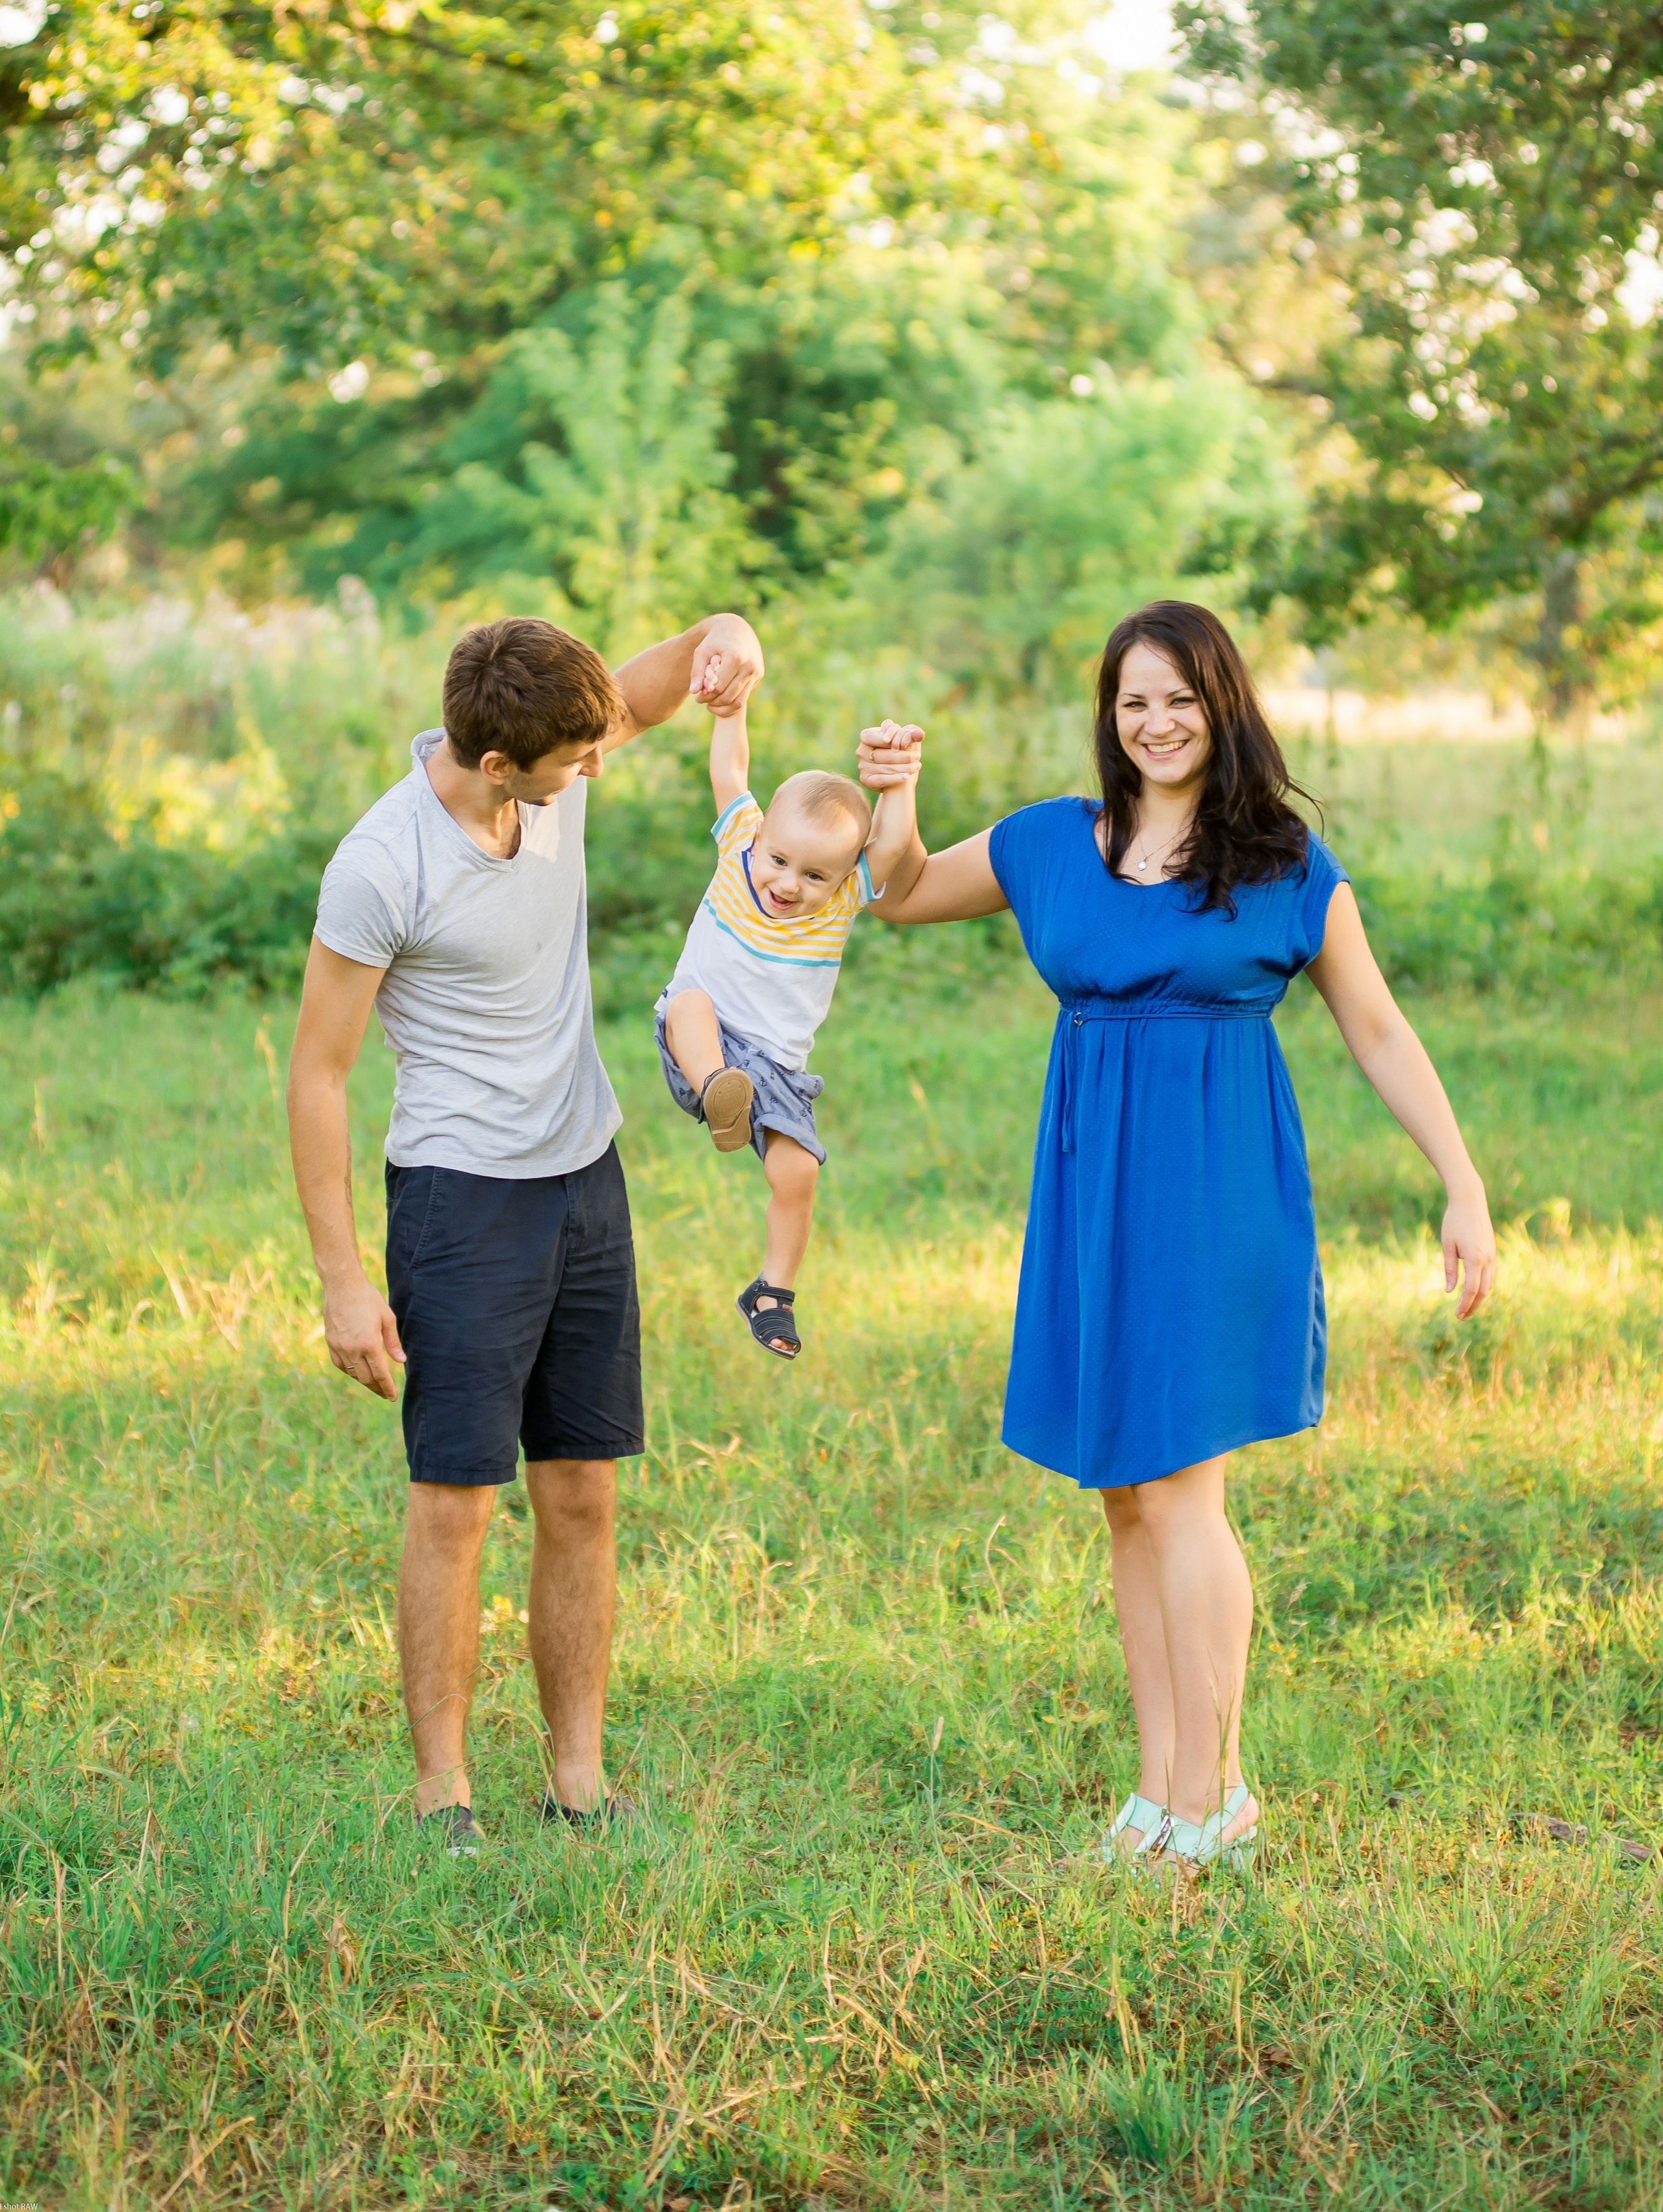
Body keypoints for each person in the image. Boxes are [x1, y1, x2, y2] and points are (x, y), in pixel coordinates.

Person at [863, 601, 1496, 1879]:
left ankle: (1217, 1796)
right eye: (1133, 700)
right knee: (1124, 1492)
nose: (1155, 723)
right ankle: (1159, 1791)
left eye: (1179, 699)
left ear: (1222, 707)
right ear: (1109, 714)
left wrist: (1460, 1182)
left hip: (1215, 1190)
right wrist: (894, 794)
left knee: (1181, 1489)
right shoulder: (1051, 841)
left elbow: (1376, 1029)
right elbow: (901, 891)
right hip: (1091, 1190)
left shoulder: (1282, 861)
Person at [286, 610, 764, 1859]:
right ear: (498, 763)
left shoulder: (556, 755)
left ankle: (578, 1785)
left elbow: (663, 681)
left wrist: (730, 638)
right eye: (578, 757)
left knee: (583, 1491)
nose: (602, 761)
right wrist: (343, 1282)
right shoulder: (382, 865)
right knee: (455, 1502)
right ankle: (443, 1795)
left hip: (584, 1182)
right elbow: (319, 1076)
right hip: (461, 1200)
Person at [654, 692, 924, 1360]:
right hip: (700, 1042)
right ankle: (719, 1091)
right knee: (689, 1002)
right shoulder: (737, 845)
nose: (789, 883)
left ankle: (772, 1293)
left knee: (799, 1172)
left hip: (773, 1069)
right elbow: (729, 771)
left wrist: (899, 782)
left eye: (814, 874)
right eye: (778, 860)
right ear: (759, 837)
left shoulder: (842, 901)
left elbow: (892, 843)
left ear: (842, 878)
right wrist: (731, 710)